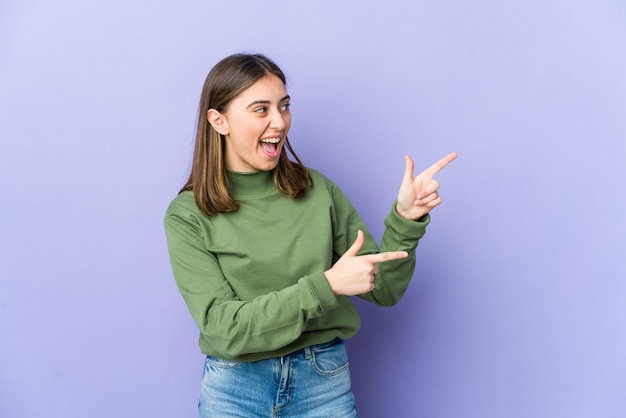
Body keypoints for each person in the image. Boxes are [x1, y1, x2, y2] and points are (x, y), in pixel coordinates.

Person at [164, 53, 457, 417]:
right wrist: (326, 285)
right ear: (218, 119)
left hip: (323, 383)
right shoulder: (188, 215)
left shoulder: (318, 191)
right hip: (235, 390)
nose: (279, 121)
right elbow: (226, 329)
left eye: (284, 106)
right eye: (261, 109)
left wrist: (405, 220)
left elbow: (385, 289)